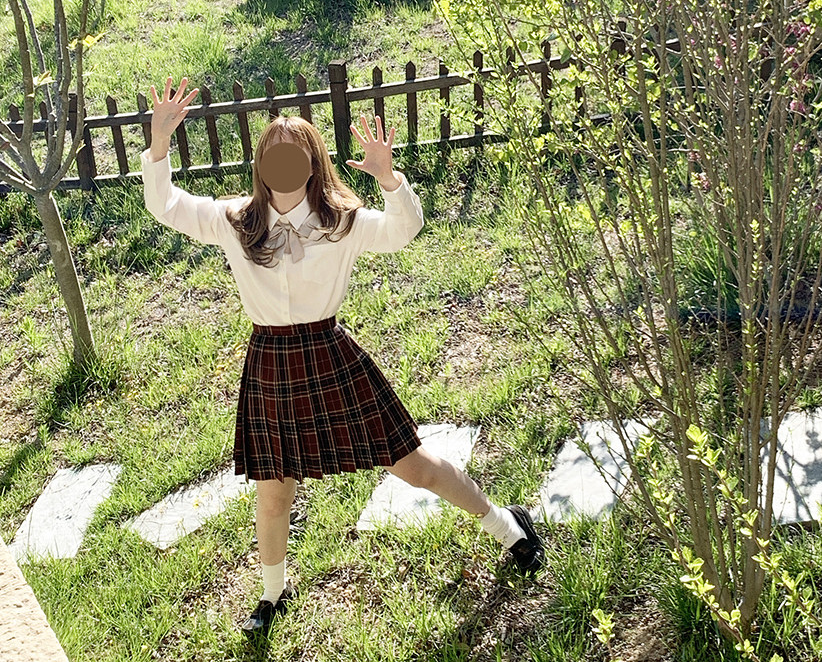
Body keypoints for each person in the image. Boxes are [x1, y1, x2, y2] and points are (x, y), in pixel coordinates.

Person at [141, 77, 543, 636]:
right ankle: (273, 594)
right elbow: (166, 204)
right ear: (260, 165)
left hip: (330, 357)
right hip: (271, 364)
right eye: (273, 155)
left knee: (413, 466)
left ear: (313, 164)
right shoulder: (234, 220)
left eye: (295, 155)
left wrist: (389, 179)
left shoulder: (342, 221)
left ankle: (508, 527)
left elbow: (404, 230)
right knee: (273, 491)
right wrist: (160, 142)